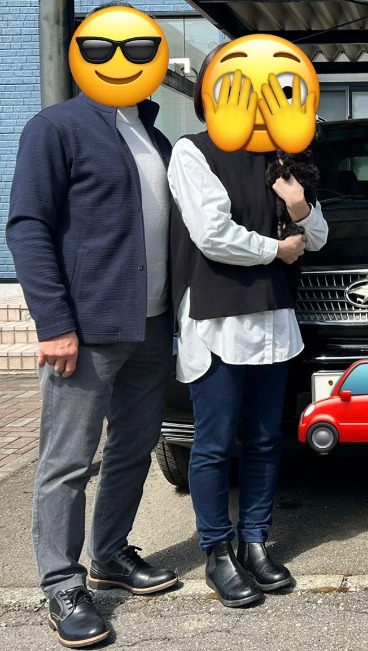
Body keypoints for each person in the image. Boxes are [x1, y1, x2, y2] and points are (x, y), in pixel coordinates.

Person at [6, 4, 178, 647]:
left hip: (151, 323)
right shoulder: (57, 127)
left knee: (135, 446)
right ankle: (61, 583)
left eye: (140, 51)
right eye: (107, 49)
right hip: (86, 328)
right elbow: (27, 226)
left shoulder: (153, 134)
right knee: (69, 460)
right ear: (82, 55)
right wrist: (54, 322)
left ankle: (110, 555)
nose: (124, 62)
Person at [168, 47, 328, 608]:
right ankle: (217, 551)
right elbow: (212, 233)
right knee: (214, 444)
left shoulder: (285, 157)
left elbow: (319, 236)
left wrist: (299, 205)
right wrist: (276, 250)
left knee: (263, 440)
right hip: (216, 319)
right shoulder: (193, 151)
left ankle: (255, 541)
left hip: (274, 318)